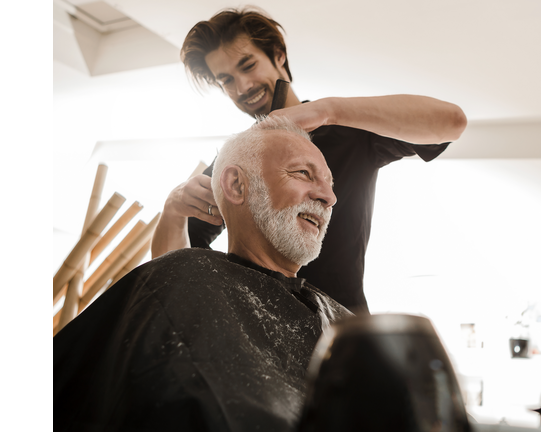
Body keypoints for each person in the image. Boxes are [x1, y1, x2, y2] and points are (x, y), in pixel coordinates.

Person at [151, 7, 467, 315]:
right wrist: (172, 208)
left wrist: (329, 110)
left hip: (342, 336)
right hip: (256, 339)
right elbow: (173, 273)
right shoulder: (234, 163)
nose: (242, 87)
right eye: (226, 80)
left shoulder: (346, 131)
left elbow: (451, 122)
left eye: (247, 66)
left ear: (278, 56)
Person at [54, 117, 353, 432]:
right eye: (303, 173)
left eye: (330, 184)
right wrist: (172, 208)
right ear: (237, 185)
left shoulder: (343, 322)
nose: (328, 197)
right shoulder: (186, 280)